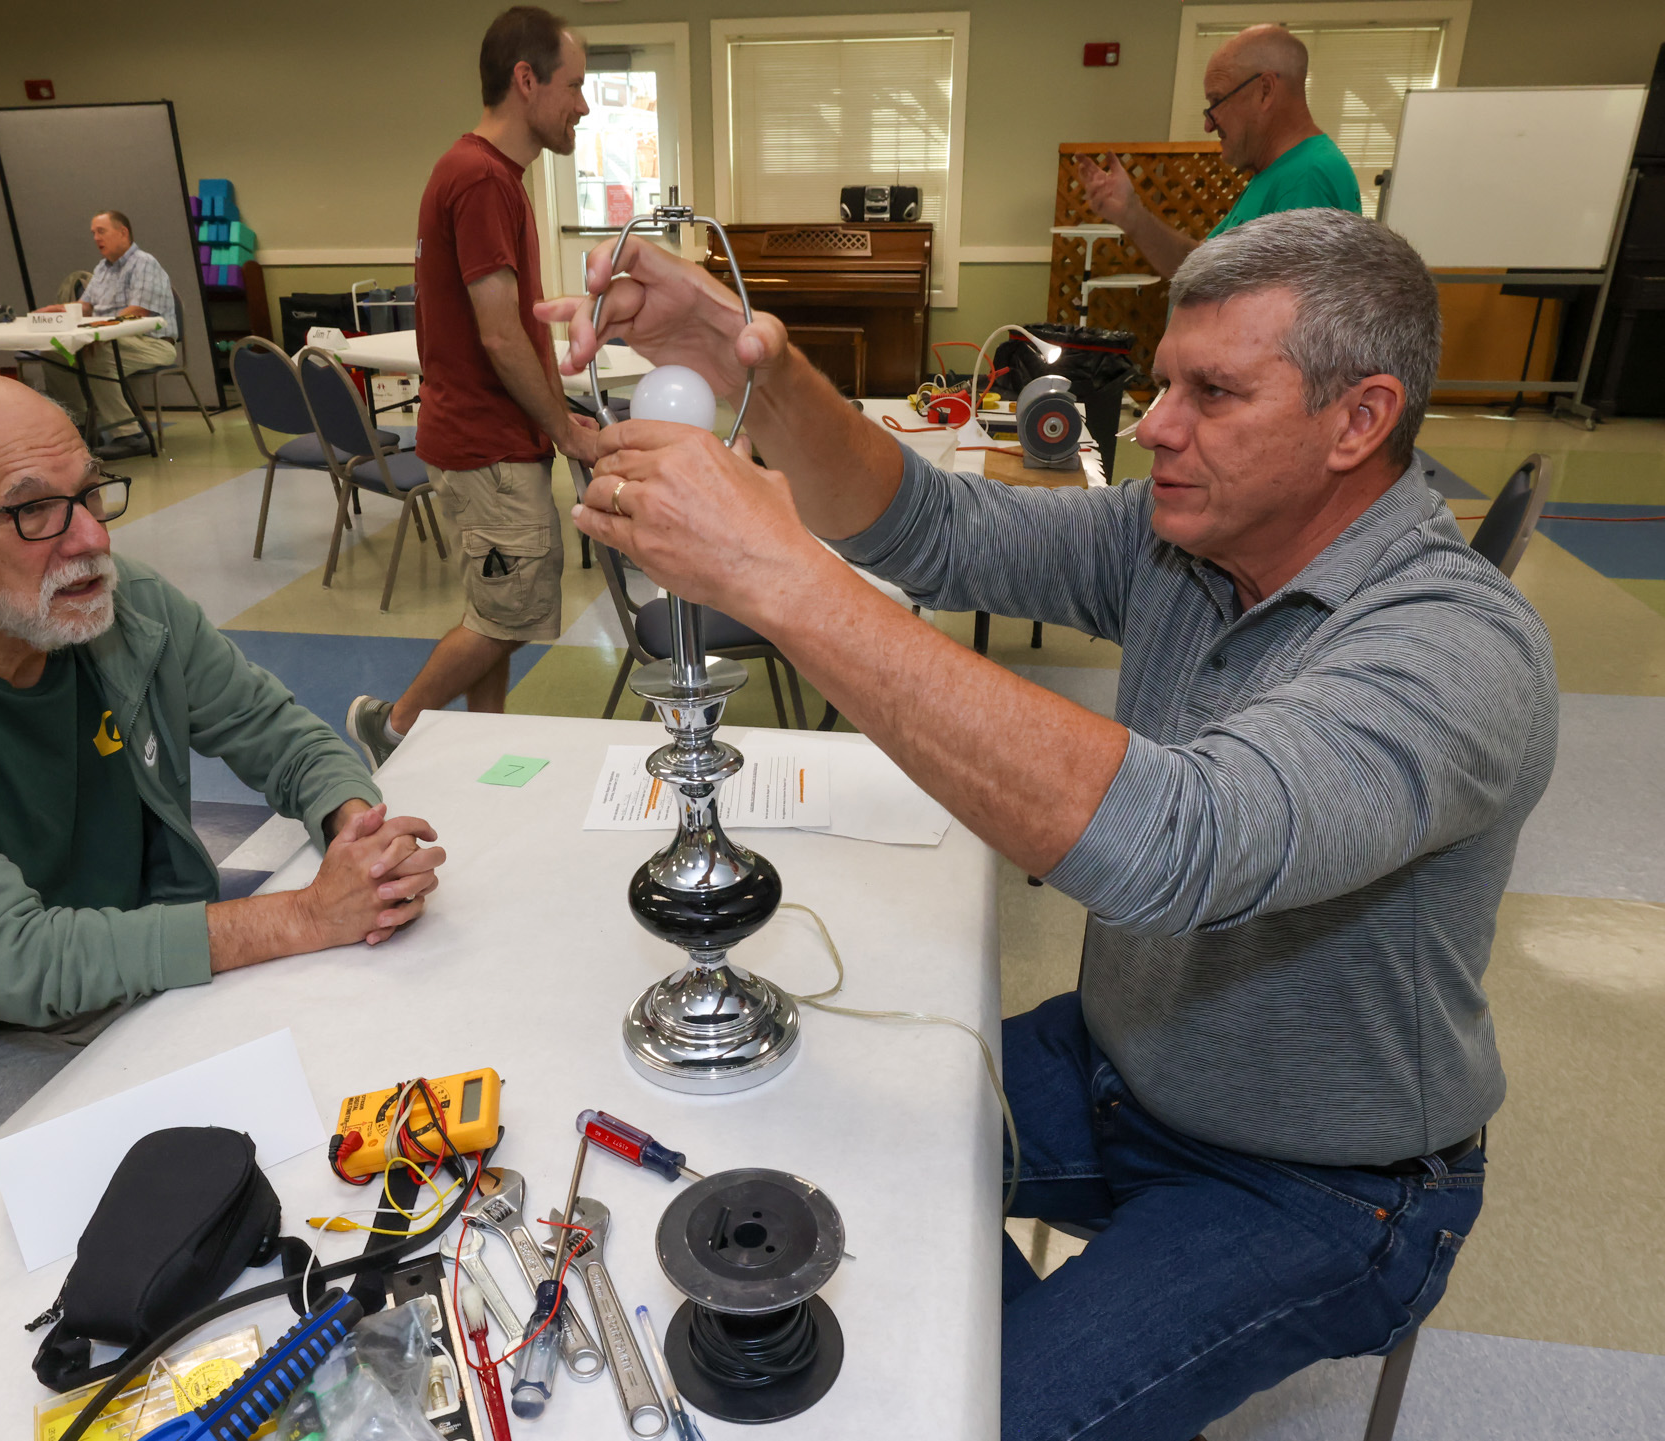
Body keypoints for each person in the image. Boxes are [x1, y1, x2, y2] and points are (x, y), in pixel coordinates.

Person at [544, 207, 1557, 1438]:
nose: (1155, 425)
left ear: (1358, 420)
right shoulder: (1188, 540)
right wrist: (749, 360)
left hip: (1320, 1182)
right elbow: (929, 526)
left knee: (975, 1411)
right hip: (1120, 1063)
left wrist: (775, 576)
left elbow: (1175, 845)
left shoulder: (1456, 650)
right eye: (1164, 382)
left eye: (1212, 393)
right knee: (792, 1156)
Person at [0, 372, 445, 1237]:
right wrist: (305, 915)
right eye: (33, 510)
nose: (89, 537)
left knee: (340, 1092)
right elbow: (8, 958)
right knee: (184, 1217)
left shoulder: (122, 606)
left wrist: (357, 831)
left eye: (88, 493)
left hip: (114, 979)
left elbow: (278, 732)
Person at [343, 6, 599, 770]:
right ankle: (393, 724)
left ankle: (488, 744)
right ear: (527, 80)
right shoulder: (483, 179)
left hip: (479, 438)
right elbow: (499, 335)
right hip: (488, 446)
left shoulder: (484, 173)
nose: (583, 105)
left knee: (495, 606)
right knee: (510, 612)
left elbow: (509, 323)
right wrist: (567, 430)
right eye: (573, 85)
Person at [1077, 25, 1362, 279]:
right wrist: (1132, 216)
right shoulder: (1276, 174)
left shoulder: (1307, 176)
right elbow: (1197, 269)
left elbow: (1285, 315)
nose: (1208, 124)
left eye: (1216, 101)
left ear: (1265, 90)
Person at [37, 210, 179, 459]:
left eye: (101, 231)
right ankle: (81, 427)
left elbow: (138, 311)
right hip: (111, 339)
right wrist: (60, 309)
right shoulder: (102, 269)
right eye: (93, 233)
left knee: (98, 354)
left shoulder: (144, 263)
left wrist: (101, 334)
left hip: (152, 343)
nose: (96, 238)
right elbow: (86, 306)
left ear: (123, 232)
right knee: (54, 354)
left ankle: (129, 435)